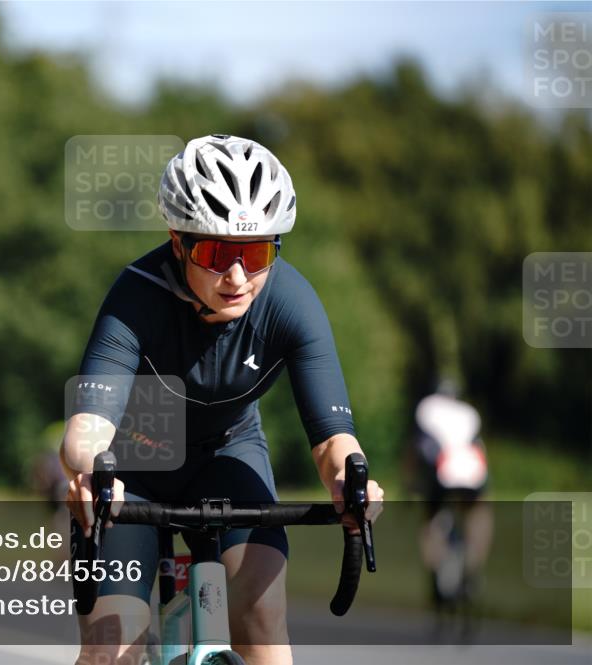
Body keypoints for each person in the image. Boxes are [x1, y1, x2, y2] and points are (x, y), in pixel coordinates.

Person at [60, 134, 384, 665]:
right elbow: (87, 429)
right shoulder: (136, 296)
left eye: (255, 253)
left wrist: (353, 483)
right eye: (215, 254)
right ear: (177, 241)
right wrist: (93, 473)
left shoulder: (291, 302)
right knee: (110, 646)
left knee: (263, 622)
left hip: (231, 453)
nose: (237, 278)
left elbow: (332, 439)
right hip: (134, 464)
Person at [410, 379, 493, 621]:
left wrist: (410, 490)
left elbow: (416, 452)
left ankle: (436, 573)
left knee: (430, 524)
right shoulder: (469, 413)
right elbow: (479, 450)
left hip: (440, 474)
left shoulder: (426, 408)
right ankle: (474, 566)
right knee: (479, 516)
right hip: (473, 474)